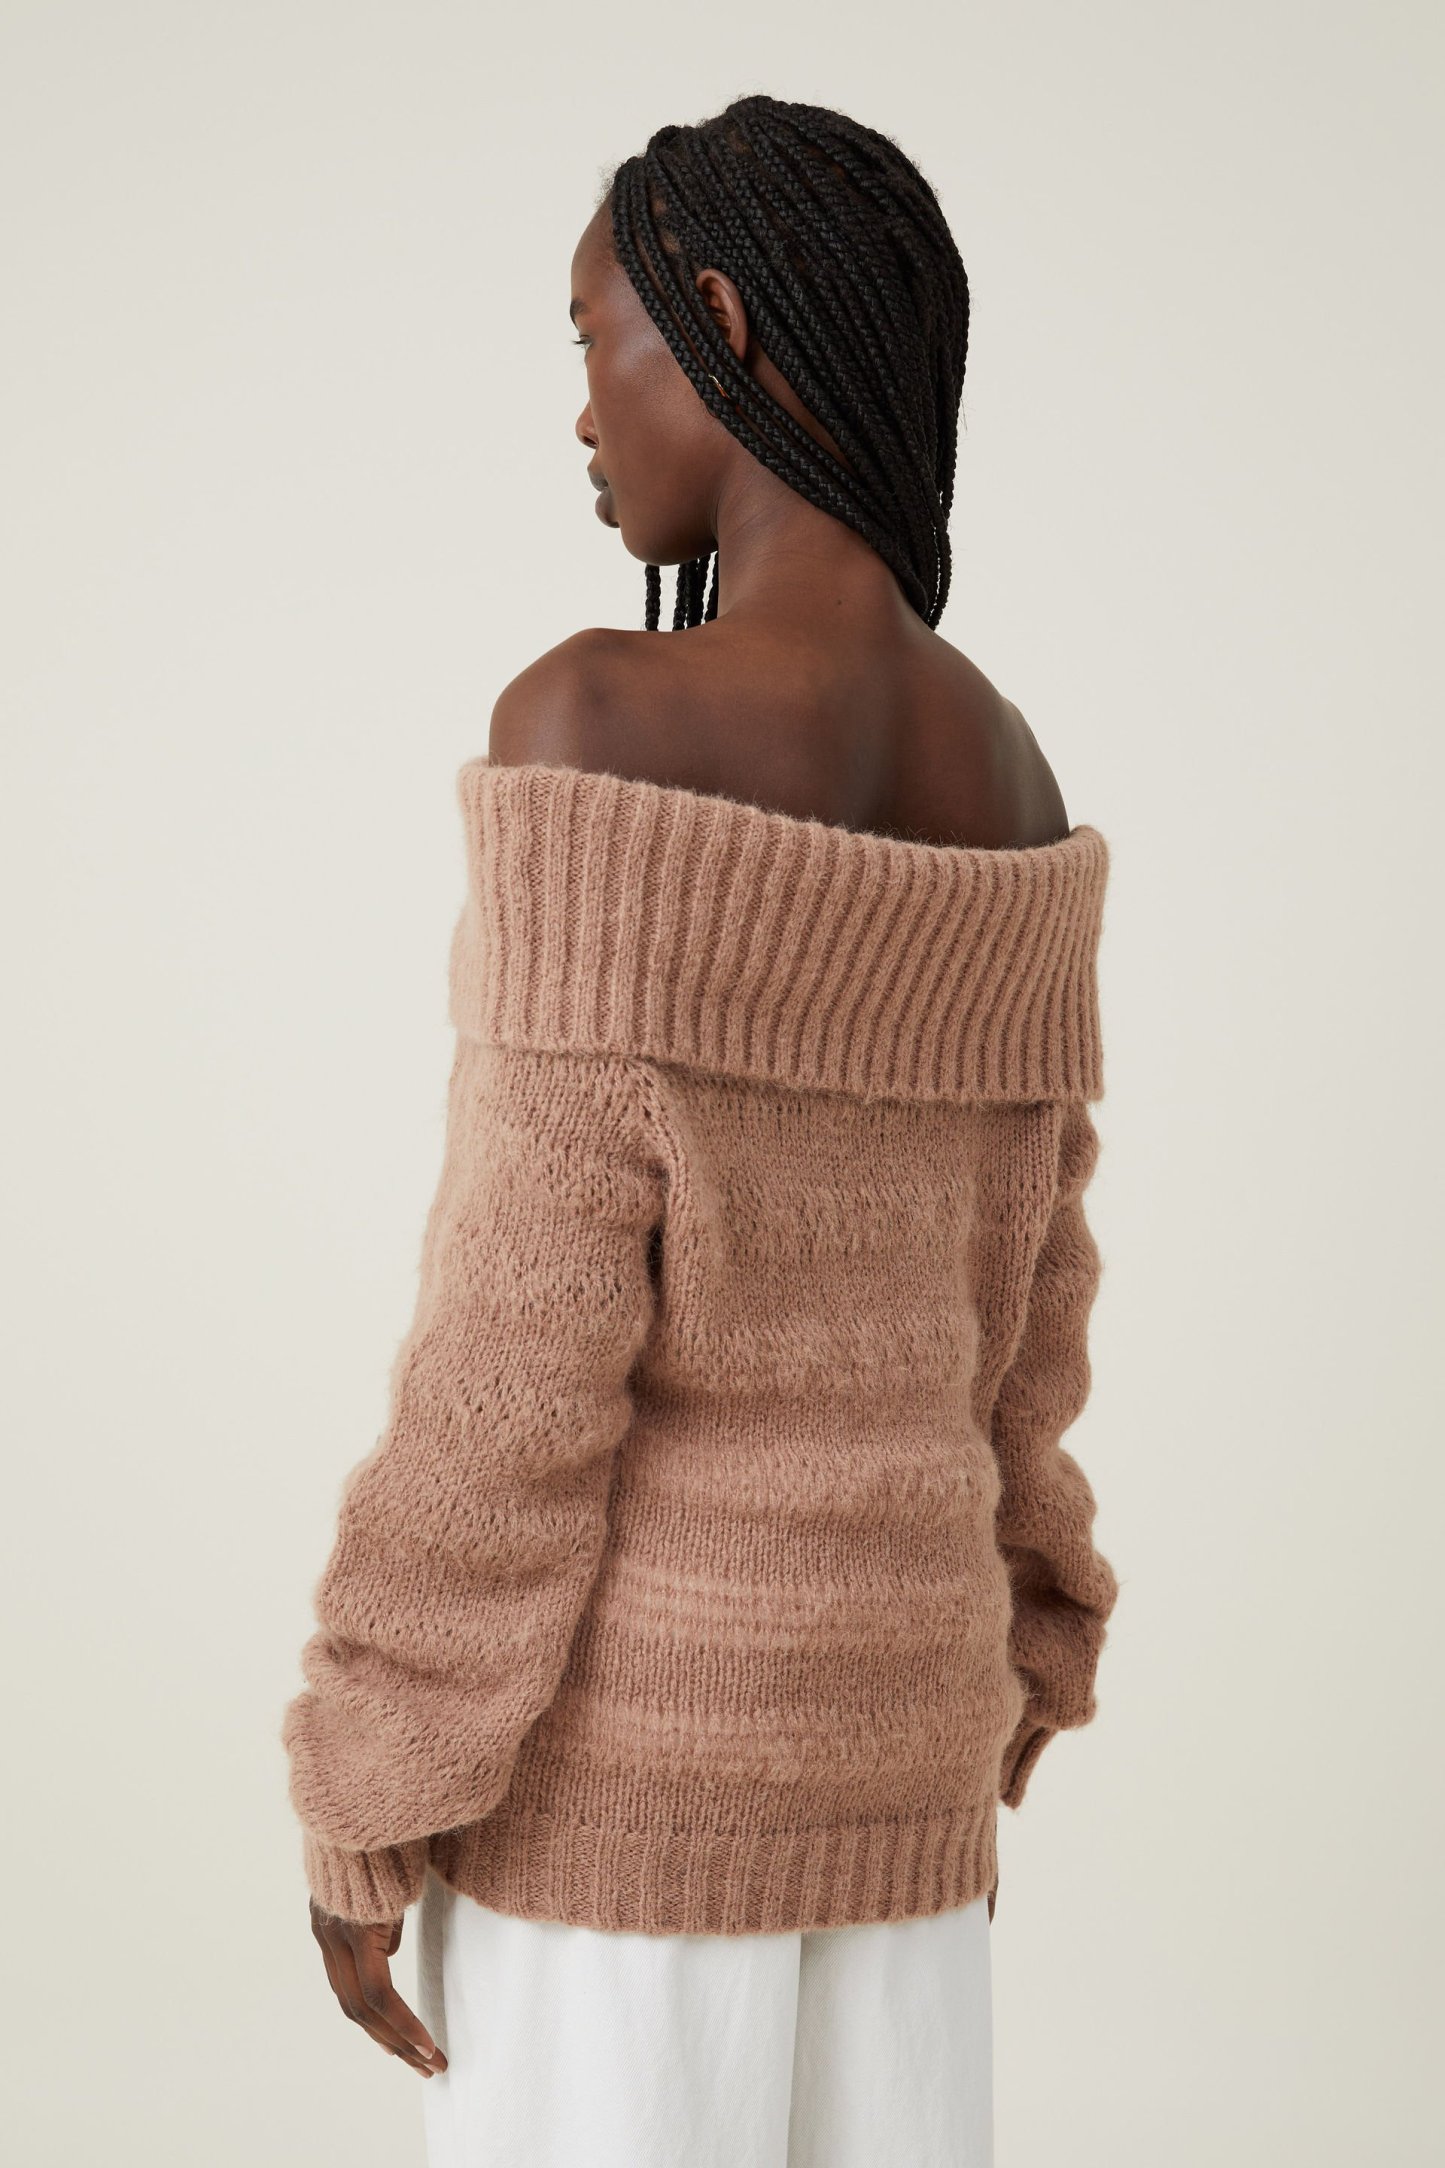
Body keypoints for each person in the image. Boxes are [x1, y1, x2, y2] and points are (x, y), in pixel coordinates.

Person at [281, 93, 1120, 2167]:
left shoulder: (594, 721)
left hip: (626, 1819)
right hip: (905, 1782)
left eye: (596, 339)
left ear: (720, 323)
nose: (582, 411)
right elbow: (1027, 1337)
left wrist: (371, 1776)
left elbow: (516, 1356)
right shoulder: (1010, 770)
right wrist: (1024, 1657)